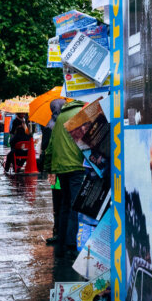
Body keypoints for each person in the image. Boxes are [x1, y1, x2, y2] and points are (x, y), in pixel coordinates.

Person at [46, 99, 86, 255]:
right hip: (76, 165)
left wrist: (49, 168)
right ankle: (71, 243)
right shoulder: (80, 114)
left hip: (60, 166)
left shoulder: (60, 117)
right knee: (75, 205)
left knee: (64, 204)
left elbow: (51, 145)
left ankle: (62, 238)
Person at [41, 99, 67, 245]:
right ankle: (62, 231)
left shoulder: (49, 125)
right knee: (65, 200)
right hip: (65, 167)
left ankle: (57, 230)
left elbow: (45, 147)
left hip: (53, 168)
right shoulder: (66, 121)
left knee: (56, 201)